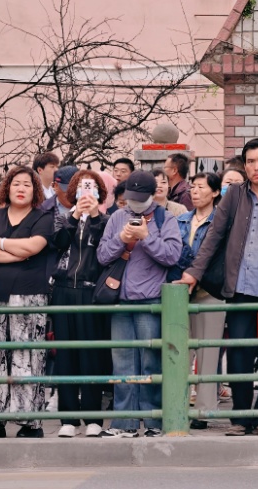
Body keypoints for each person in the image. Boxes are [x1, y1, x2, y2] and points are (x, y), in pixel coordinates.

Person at [177, 138, 258, 437]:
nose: (256, 167)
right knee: (238, 355)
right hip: (240, 286)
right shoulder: (234, 195)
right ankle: (240, 417)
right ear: (244, 165)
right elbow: (214, 238)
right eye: (250, 161)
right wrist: (194, 272)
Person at [97, 170, 182, 437]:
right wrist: (120, 240)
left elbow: (172, 256)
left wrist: (147, 237)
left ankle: (154, 420)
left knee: (151, 363)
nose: (133, 203)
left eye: (138, 198)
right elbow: (102, 256)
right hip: (120, 301)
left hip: (151, 300)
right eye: (129, 198)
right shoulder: (116, 219)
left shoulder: (164, 218)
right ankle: (125, 422)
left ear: (151, 195)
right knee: (122, 363)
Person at [0, 167, 53, 439]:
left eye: (27, 184)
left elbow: (34, 247)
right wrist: (15, 253)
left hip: (30, 296)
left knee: (28, 357)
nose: (21, 188)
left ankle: (31, 422)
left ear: (35, 190)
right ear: (7, 187)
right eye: (16, 183)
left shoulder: (43, 216)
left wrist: (1, 244)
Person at [50, 170, 111, 438]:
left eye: (92, 188)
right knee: (65, 355)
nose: (87, 193)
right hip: (63, 291)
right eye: (82, 188)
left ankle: (93, 416)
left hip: (90, 292)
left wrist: (95, 215)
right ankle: (68, 417)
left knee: (91, 355)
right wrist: (75, 216)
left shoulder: (107, 221)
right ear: (74, 191)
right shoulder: (62, 219)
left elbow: (105, 250)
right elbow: (59, 244)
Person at [174, 172, 225, 430]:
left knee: (208, 353)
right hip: (182, 293)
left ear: (215, 192)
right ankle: (178, 406)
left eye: (201, 187)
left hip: (210, 293)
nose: (195, 191)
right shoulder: (181, 219)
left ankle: (204, 411)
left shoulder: (221, 221)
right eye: (192, 187)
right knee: (181, 351)